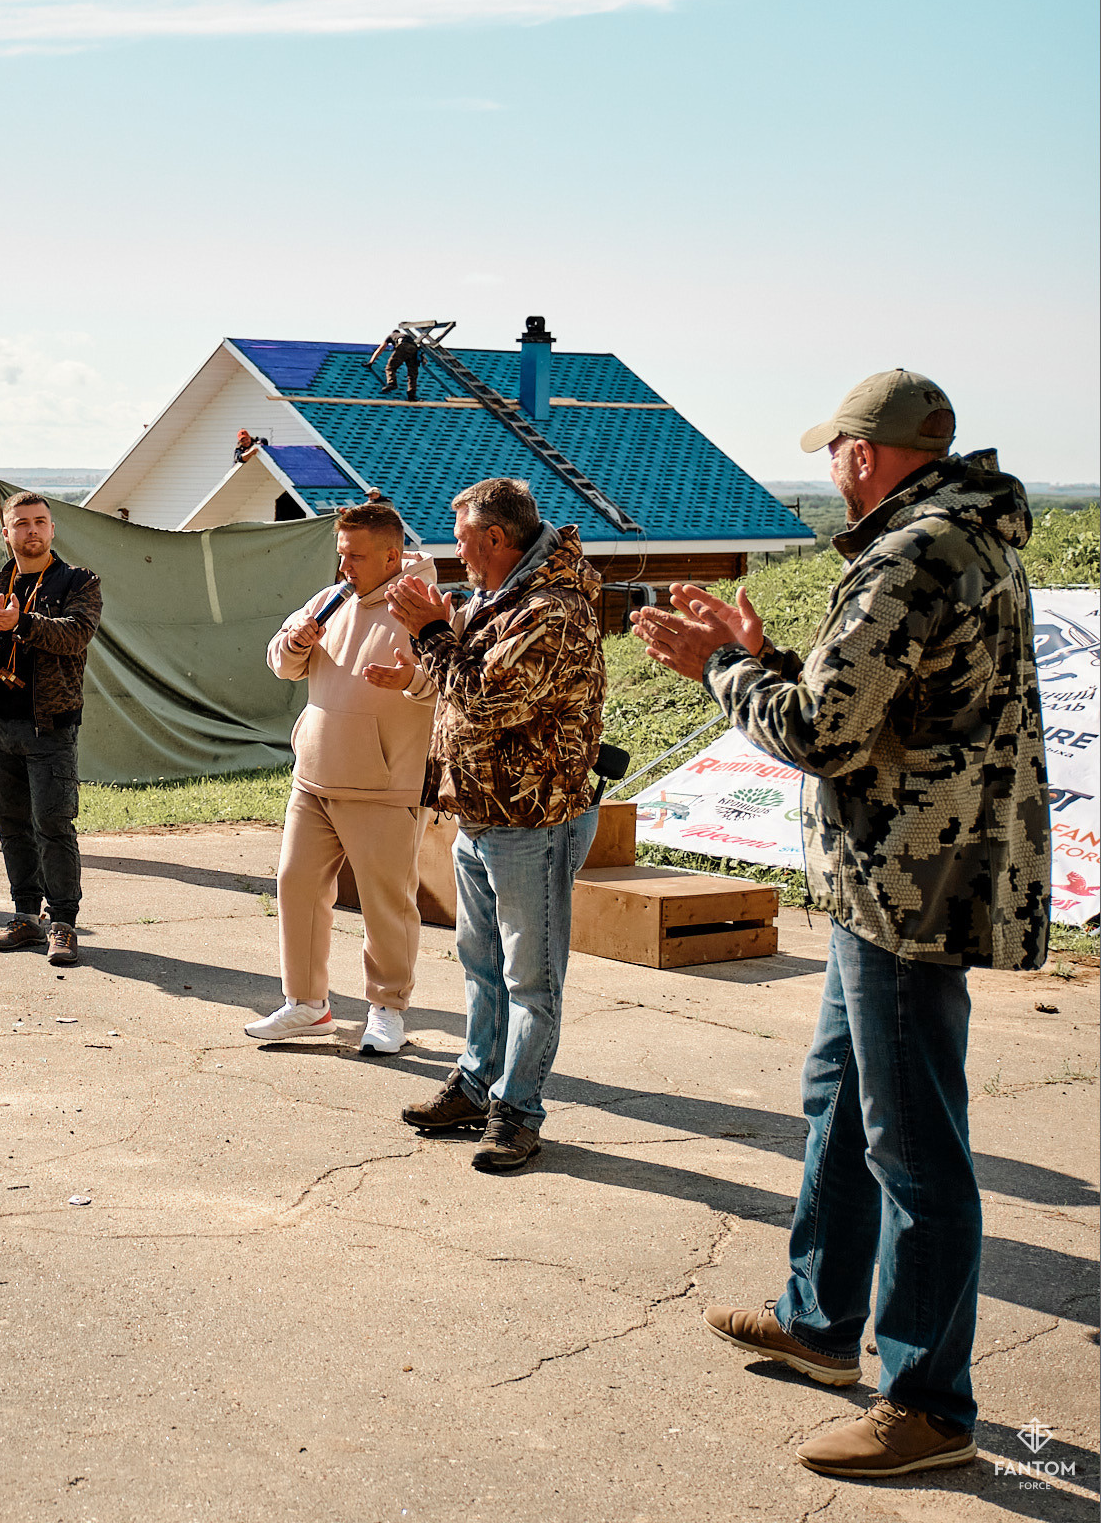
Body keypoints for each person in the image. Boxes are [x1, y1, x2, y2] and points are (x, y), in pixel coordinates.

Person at [635, 371, 1049, 1480]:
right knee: (844, 1104)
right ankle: (821, 1323)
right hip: (899, 878)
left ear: (863, 455)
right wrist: (764, 657)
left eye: (834, 454)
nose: (830, 470)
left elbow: (821, 731)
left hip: (907, 892)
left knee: (914, 1147)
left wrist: (716, 667)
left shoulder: (912, 555)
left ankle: (926, 1401)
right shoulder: (964, 538)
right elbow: (875, 711)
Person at [384, 477, 604, 1172]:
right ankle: (477, 1085)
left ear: (497, 539)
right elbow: (465, 677)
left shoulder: (554, 611)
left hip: (532, 818)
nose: (456, 552)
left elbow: (481, 699)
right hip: (482, 811)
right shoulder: (499, 598)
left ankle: (518, 1111)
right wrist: (436, 642)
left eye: (462, 540)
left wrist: (427, 632)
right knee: (482, 968)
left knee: (530, 980)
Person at [247, 499, 438, 1053]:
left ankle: (387, 1011)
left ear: (392, 555)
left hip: (386, 784)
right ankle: (307, 1006)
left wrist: (411, 679)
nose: (344, 567)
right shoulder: (329, 600)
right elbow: (280, 663)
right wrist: (293, 644)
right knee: (296, 886)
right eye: (340, 554)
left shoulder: (426, 607)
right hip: (315, 778)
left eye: (355, 556)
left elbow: (450, 683)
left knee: (387, 904)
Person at [0, 492, 100, 965]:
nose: (32, 531)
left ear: (52, 530)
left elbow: (76, 635)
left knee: (53, 823)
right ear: (7, 532)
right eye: (22, 524)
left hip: (49, 725)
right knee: (10, 824)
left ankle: (64, 923)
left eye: (40, 523)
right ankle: (25, 916)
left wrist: (22, 622)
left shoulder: (78, 581)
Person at [368, 328, 423, 400]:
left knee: (390, 367)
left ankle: (392, 383)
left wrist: (371, 362)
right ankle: (411, 395)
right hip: (414, 349)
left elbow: (380, 349)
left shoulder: (391, 336)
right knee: (412, 374)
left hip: (404, 346)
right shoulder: (406, 336)